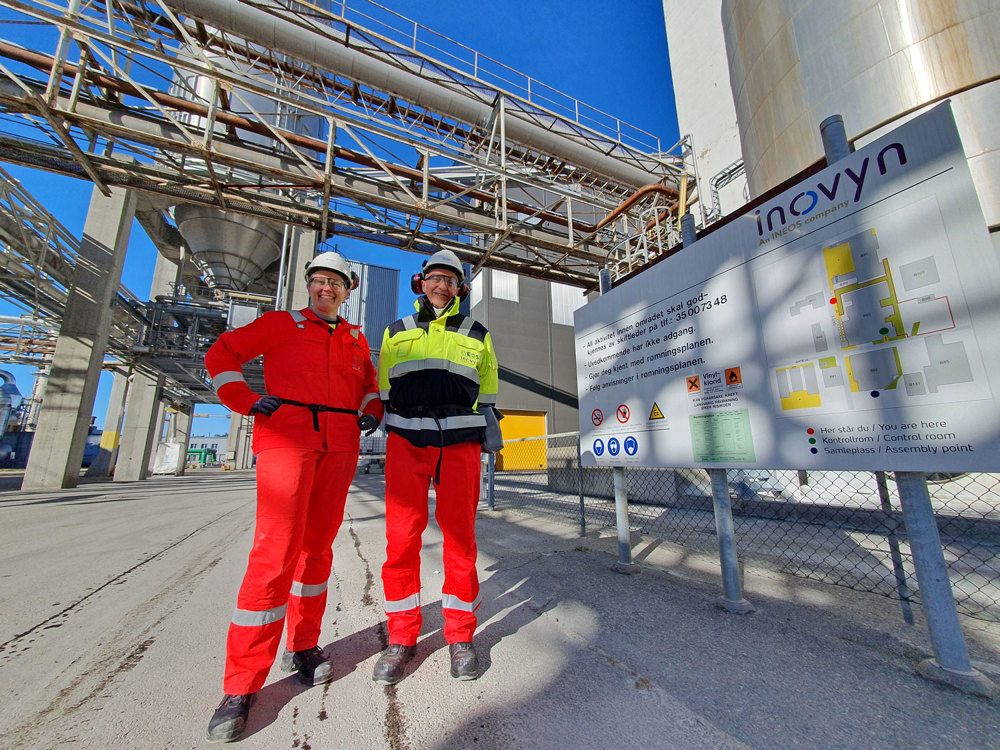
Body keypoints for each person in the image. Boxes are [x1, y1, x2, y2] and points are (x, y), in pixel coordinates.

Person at [203, 251, 383, 743]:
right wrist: (244, 400)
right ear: (310, 286)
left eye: (336, 283)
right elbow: (221, 355)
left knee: (318, 549)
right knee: (274, 554)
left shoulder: (355, 338)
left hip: (341, 445)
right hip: (287, 441)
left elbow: (370, 385)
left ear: (348, 290)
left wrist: (372, 410)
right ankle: (241, 686)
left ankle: (304, 646)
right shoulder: (280, 324)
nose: (327, 288)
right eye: (320, 280)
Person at [373, 249, 500, 685]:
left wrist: (490, 424)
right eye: (435, 278)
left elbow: (488, 386)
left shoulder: (477, 332)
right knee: (401, 539)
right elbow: (385, 386)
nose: (442, 286)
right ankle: (401, 636)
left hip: (459, 444)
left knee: (460, 539)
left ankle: (460, 636)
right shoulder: (396, 332)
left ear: (461, 290)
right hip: (408, 441)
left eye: (450, 280)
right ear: (420, 283)